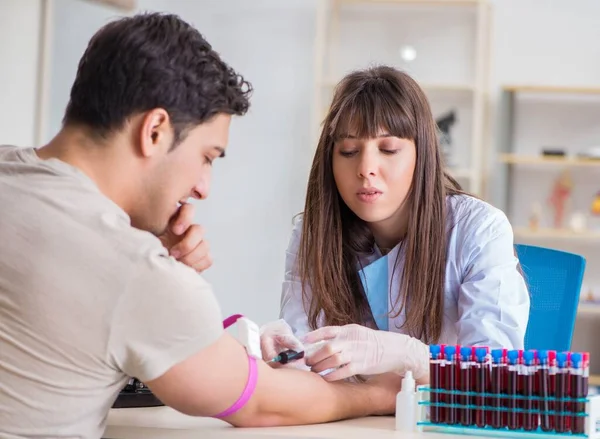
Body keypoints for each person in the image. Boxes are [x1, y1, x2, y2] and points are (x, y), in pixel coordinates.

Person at [0, 14, 402, 439]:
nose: (202, 188)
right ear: (154, 131)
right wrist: (379, 393)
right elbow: (264, 405)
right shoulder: (136, 270)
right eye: (207, 156)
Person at [261, 66, 530, 384]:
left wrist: (410, 357)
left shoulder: (479, 230)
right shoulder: (313, 235)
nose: (365, 169)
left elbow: (496, 376)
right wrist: (284, 357)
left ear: (422, 154)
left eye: (388, 150)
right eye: (348, 151)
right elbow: (304, 361)